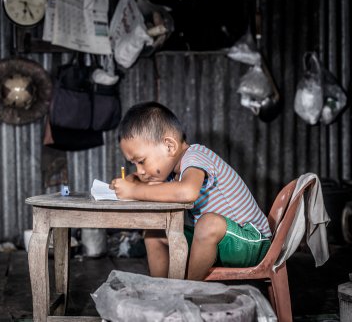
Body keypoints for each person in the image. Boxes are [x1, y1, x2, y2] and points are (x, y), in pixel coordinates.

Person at [110, 101, 271, 280]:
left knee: (208, 223)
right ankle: (161, 290)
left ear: (169, 146)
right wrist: (130, 181)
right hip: (217, 241)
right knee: (154, 233)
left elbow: (187, 192)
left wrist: (132, 191)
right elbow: (144, 181)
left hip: (253, 242)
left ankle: (189, 289)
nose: (140, 170)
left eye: (141, 161)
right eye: (134, 164)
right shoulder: (170, 172)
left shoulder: (196, 156)